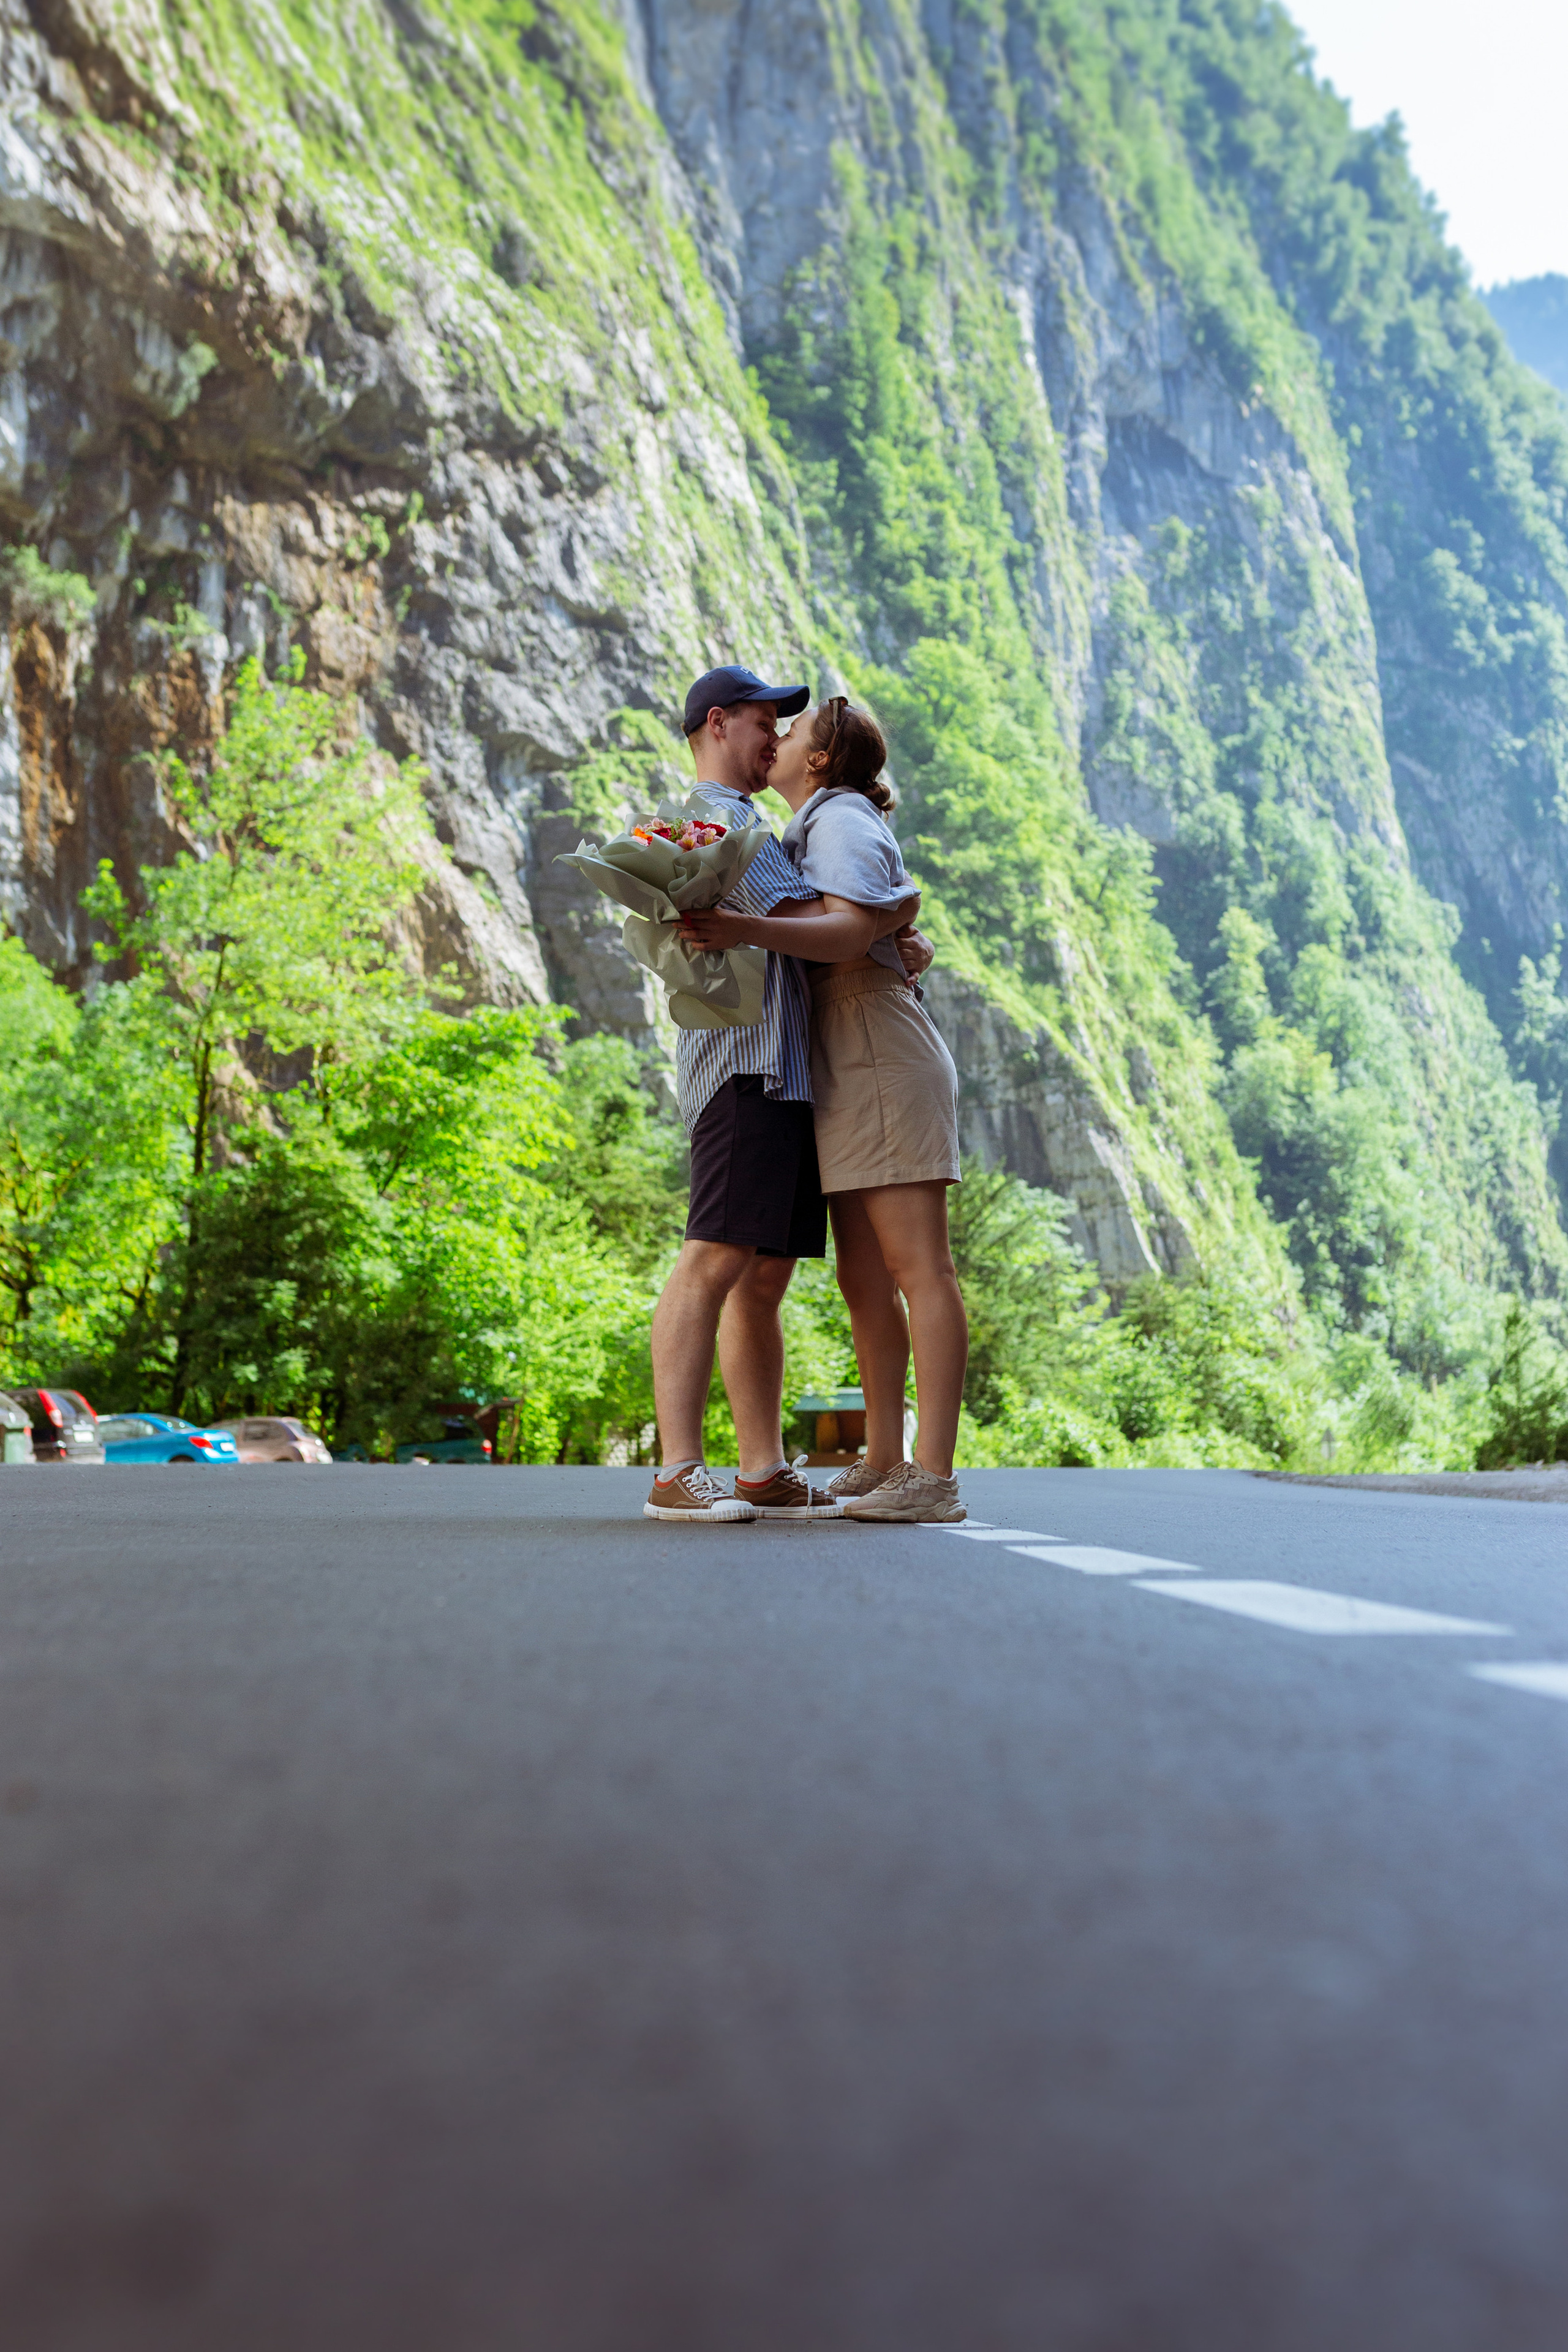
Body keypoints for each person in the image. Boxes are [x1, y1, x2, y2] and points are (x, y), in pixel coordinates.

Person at [646, 665, 933, 1524]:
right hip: (747, 1071)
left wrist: (887, 926)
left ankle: (761, 1465)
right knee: (715, 1259)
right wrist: (895, 913)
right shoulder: (721, 824)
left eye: (785, 725)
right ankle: (675, 1470)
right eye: (766, 721)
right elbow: (824, 921)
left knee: (761, 1276)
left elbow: (821, 926)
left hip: (779, 1071)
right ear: (720, 723)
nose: (776, 737)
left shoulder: (736, 824)